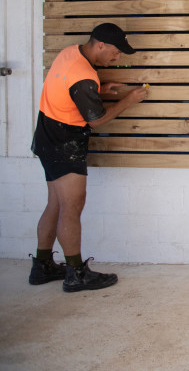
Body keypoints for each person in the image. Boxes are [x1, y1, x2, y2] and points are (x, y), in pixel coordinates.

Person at [29, 23, 148, 293]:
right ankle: (76, 273)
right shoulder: (83, 75)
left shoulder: (70, 53)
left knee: (55, 204)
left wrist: (97, 92)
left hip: (47, 136)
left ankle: (42, 266)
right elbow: (97, 120)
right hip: (64, 142)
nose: (117, 58)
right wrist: (127, 101)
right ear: (100, 45)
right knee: (71, 207)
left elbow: (67, 89)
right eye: (116, 52)